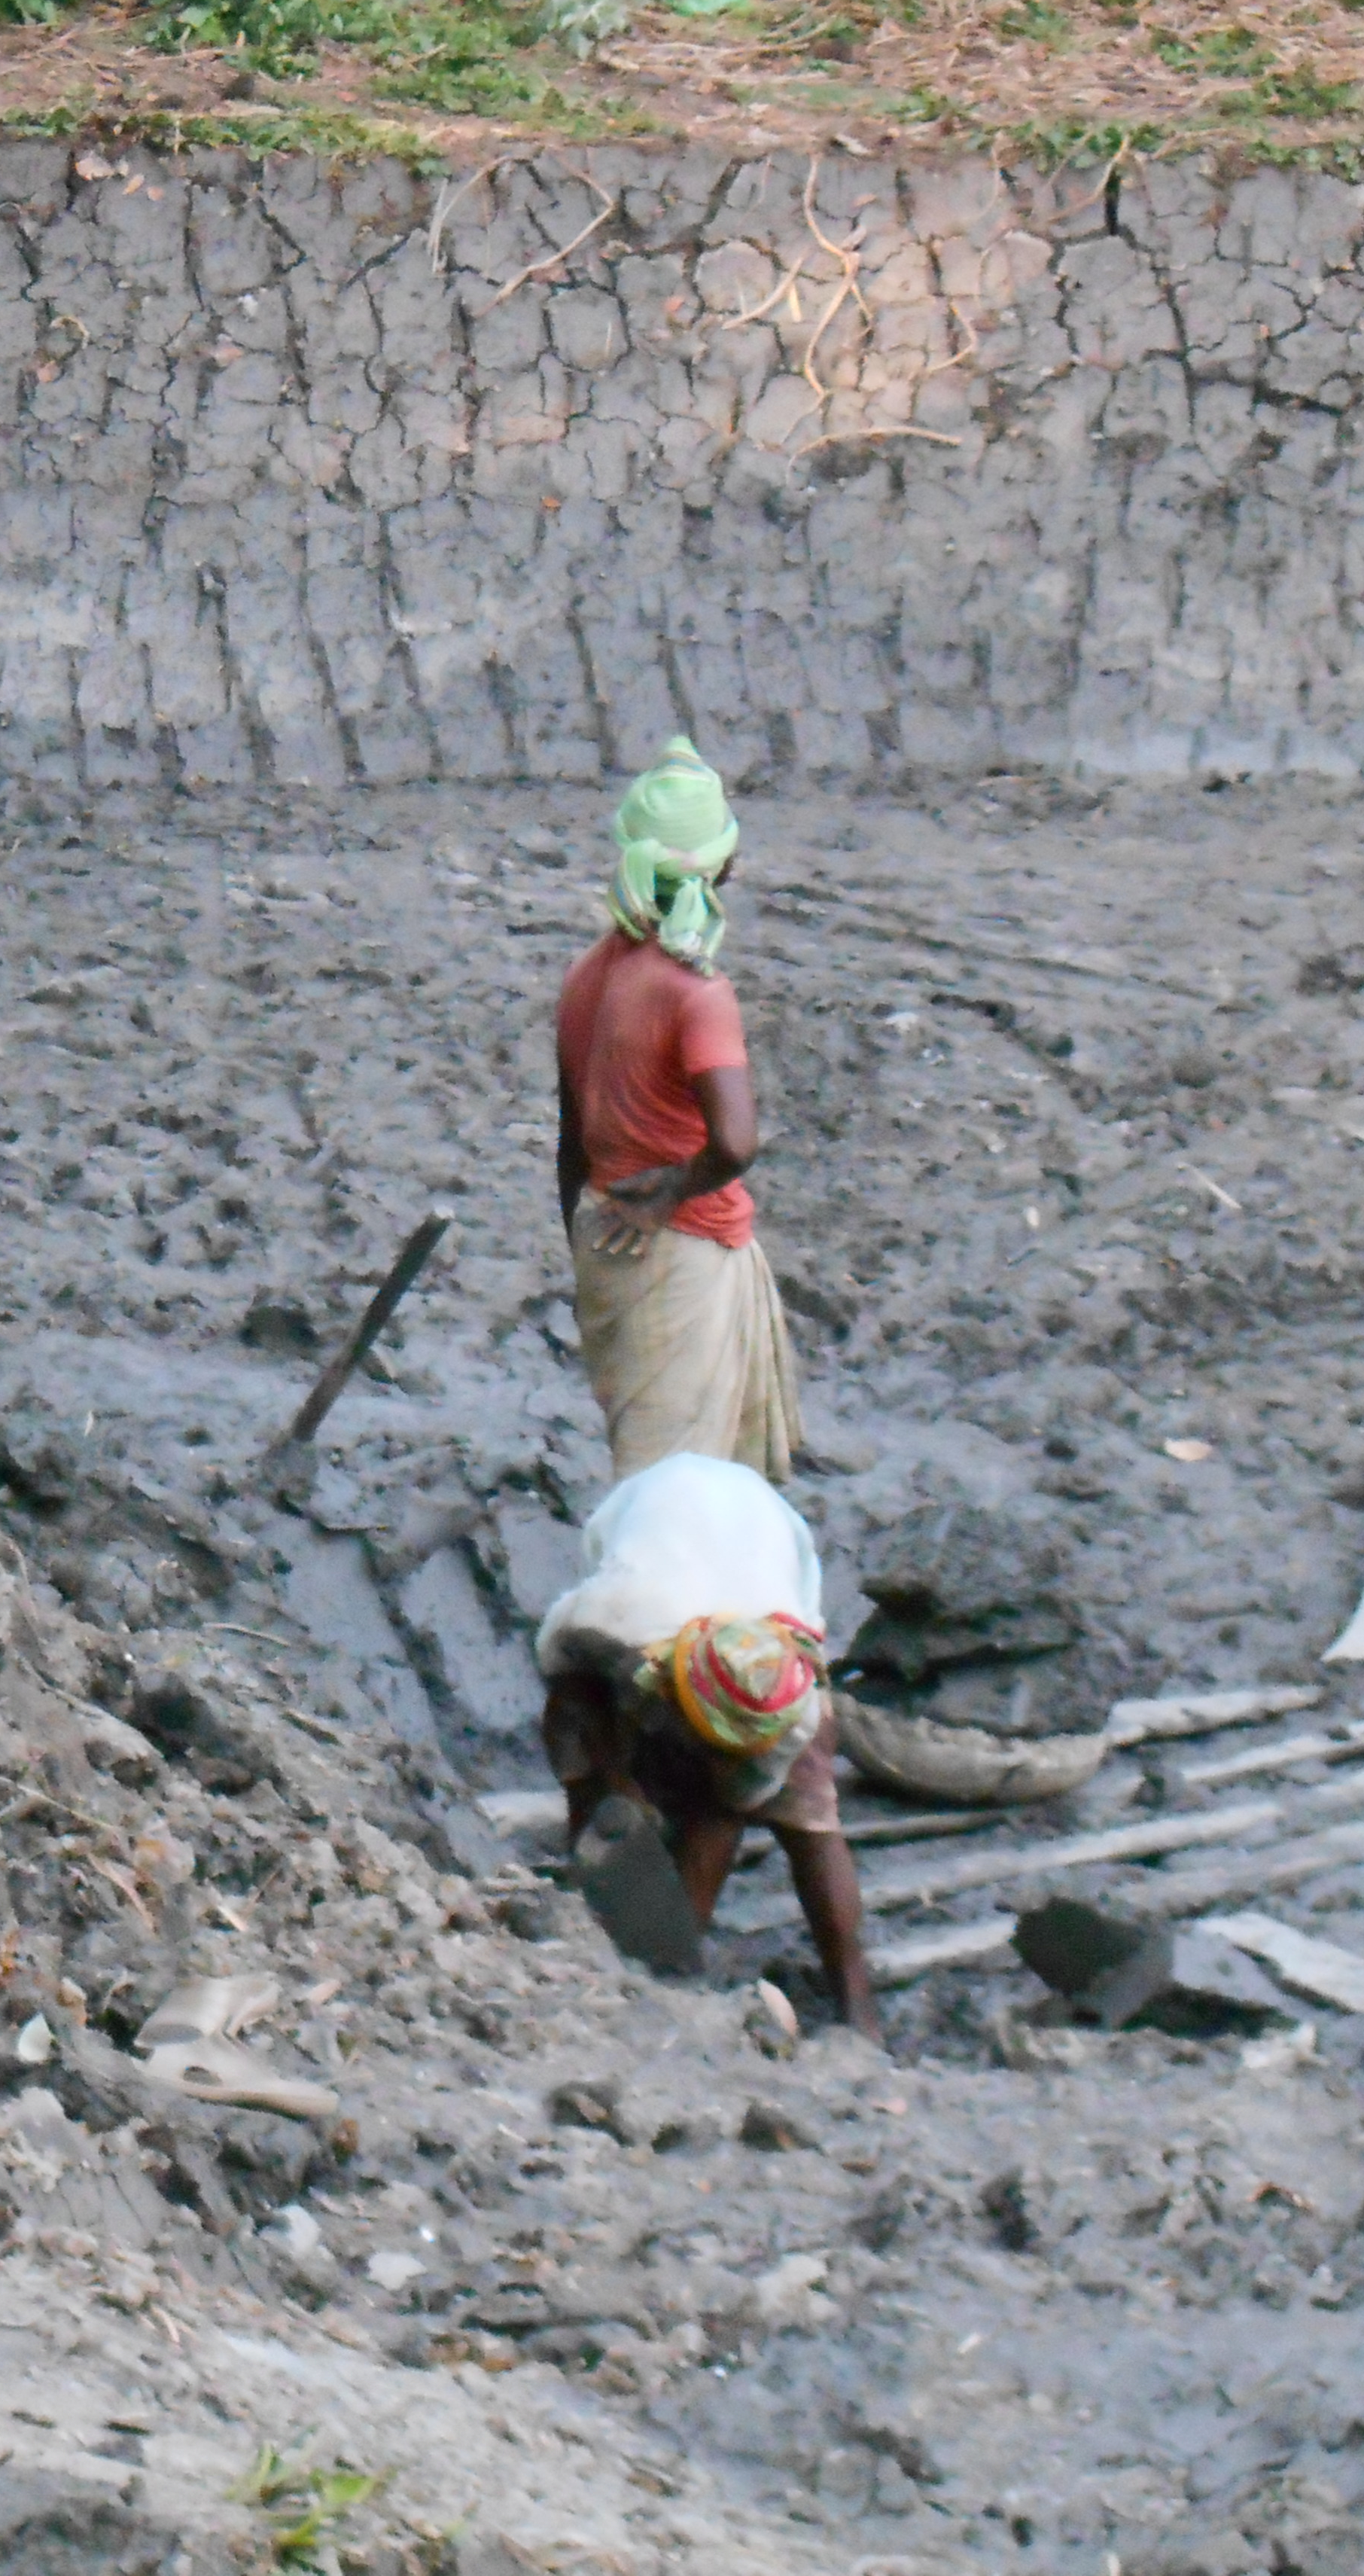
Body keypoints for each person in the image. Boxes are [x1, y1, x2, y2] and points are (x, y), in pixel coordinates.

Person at [534, 1452, 875, 2026]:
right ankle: (592, 1902)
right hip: (662, 1509)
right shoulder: (616, 1619)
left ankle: (855, 2009)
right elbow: (562, 1671)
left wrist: (709, 1810)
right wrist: (615, 1781)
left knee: (802, 1816)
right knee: (574, 1724)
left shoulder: (794, 1707)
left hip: (766, 1541)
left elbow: (735, 1801)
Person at [554, 736, 804, 1481]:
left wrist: (582, 1250)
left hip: (606, 1232)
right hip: (676, 1247)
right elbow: (734, 1142)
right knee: (675, 1489)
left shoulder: (588, 975)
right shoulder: (696, 994)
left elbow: (570, 1142)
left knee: (665, 1476)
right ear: (722, 868)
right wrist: (669, 1193)